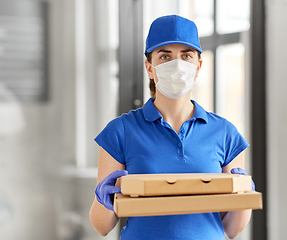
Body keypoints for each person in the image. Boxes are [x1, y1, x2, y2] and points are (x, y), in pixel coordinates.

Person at [89, 14, 255, 240]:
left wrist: (244, 194)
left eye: (186, 56)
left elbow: (232, 230)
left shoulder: (225, 133)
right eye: (165, 56)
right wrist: (104, 200)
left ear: (198, 66)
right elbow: (102, 227)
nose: (177, 65)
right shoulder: (121, 131)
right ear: (149, 67)